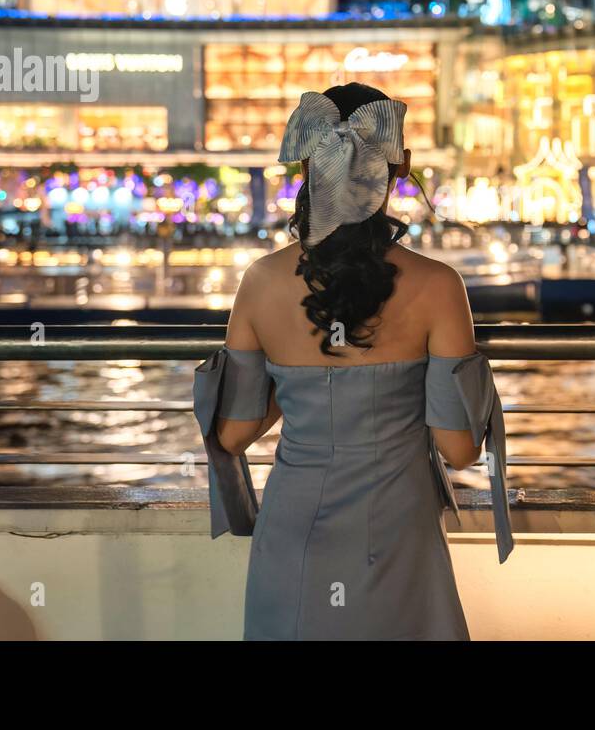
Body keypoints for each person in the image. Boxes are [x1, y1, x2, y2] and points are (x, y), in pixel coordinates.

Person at [210, 82, 511, 640]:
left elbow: (231, 436)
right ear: (400, 168)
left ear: (306, 166)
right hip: (397, 529)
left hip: (294, 528)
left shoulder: (260, 282)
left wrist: (296, 377)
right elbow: (460, 450)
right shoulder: (439, 286)